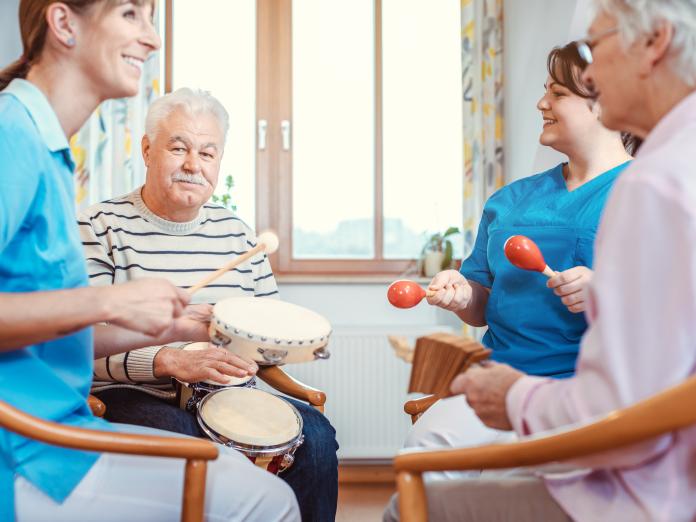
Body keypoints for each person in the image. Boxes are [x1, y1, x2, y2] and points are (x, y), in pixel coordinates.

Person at [387, 0, 696, 520]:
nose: (592, 72)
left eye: (596, 47)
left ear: (655, 43)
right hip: (604, 437)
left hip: (629, 473)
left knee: (412, 505)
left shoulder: (652, 184)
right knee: (425, 462)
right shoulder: (666, 166)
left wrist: (516, 400)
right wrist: (467, 297)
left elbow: (622, 408)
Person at [0, 1, 299, 521]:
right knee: (262, 499)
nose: (153, 39)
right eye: (130, 14)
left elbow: (47, 336)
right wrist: (105, 300)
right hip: (27, 455)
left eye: (152, 18)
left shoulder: (44, 144)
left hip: (60, 436)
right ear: (64, 22)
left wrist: (169, 326)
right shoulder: (12, 136)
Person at [79, 87, 339, 522]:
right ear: (147, 150)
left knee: (315, 436)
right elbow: (77, 343)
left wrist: (288, 347)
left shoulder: (237, 234)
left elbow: (266, 332)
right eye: (177, 147)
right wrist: (166, 361)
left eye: (207, 153)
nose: (192, 165)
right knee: (192, 446)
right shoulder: (98, 226)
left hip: (229, 393)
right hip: (134, 393)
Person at [402, 41, 635, 459]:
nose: (541, 103)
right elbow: (481, 302)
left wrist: (607, 291)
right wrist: (462, 294)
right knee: (423, 453)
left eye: (559, 94)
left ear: (604, 102)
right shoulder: (508, 201)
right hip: (497, 380)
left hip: (585, 393)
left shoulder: (644, 193)